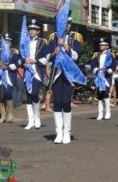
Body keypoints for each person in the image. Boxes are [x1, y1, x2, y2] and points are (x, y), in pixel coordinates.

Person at [47, 16, 82, 144]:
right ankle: (59, 133)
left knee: (66, 102)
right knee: (56, 102)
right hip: (56, 73)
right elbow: (47, 55)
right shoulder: (52, 37)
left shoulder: (75, 37)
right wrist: (53, 52)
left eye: (68, 23)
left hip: (69, 74)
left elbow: (77, 55)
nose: (66, 25)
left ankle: (67, 133)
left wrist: (66, 47)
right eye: (64, 23)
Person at [20, 19, 48, 130]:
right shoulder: (24, 42)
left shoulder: (43, 42)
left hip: (37, 72)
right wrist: (23, 63)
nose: (32, 31)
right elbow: (19, 58)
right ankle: (30, 121)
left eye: (34, 29)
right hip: (27, 72)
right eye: (30, 29)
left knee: (34, 93)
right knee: (28, 96)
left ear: (38, 31)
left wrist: (35, 60)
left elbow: (47, 58)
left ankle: (37, 118)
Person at [0, 34, 19, 123]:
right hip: (0, 76)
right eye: (5, 42)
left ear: (10, 43)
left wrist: (7, 67)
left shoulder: (14, 52)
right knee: (2, 95)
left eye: (8, 42)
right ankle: (3, 116)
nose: (6, 44)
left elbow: (17, 64)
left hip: (9, 76)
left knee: (7, 93)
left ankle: (10, 114)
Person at [91, 38, 117, 120]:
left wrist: (109, 70)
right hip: (99, 76)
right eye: (100, 45)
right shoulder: (96, 54)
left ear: (107, 46)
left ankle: (108, 112)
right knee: (100, 95)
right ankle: (100, 113)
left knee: (105, 93)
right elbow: (93, 64)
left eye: (103, 45)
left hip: (106, 76)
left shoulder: (111, 55)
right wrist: (96, 70)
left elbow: (113, 65)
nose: (101, 46)